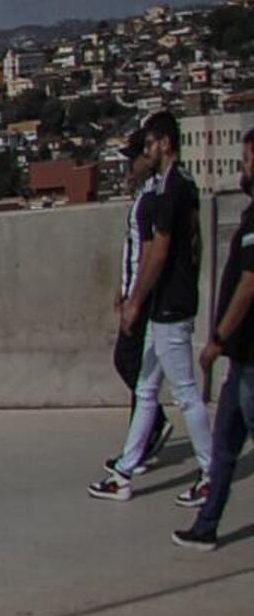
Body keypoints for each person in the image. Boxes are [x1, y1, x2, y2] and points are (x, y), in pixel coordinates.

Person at [95, 112, 202, 503]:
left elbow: (151, 254)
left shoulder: (162, 194)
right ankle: (127, 465)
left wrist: (134, 300)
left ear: (163, 145)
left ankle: (206, 467)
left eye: (141, 151)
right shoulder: (166, 191)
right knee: (144, 383)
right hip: (158, 301)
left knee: (179, 390)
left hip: (160, 303)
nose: (134, 162)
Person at [170, 148, 254, 550]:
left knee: (227, 447)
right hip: (242, 362)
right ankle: (206, 525)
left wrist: (217, 340)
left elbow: (251, 284)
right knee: (223, 451)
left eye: (248, 160)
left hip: (249, 360)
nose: (243, 167)